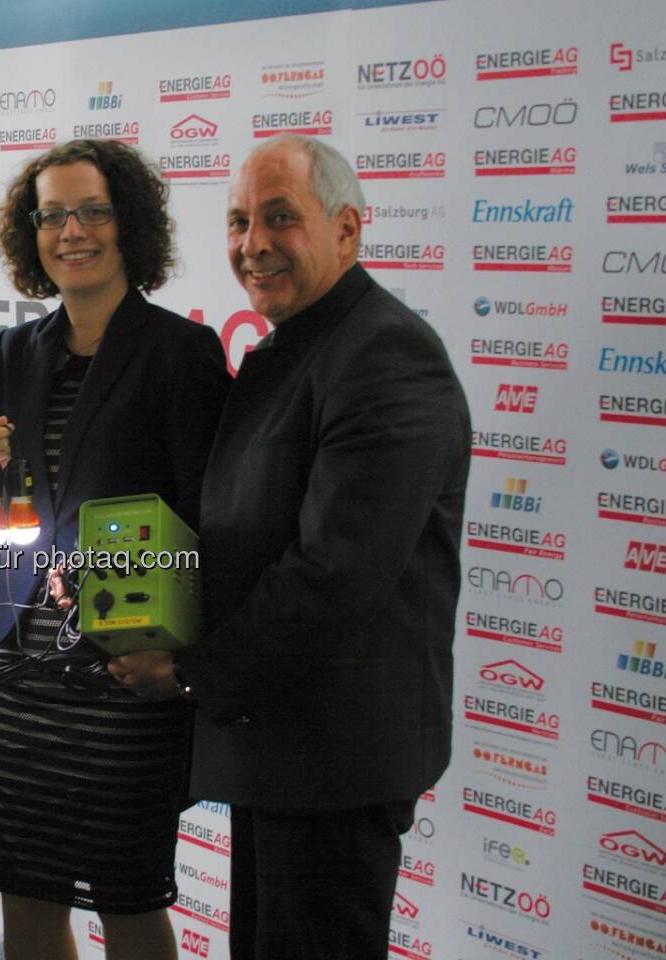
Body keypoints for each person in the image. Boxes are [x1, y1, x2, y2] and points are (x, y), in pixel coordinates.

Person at [112, 135, 471, 959]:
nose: (253, 244)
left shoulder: (385, 355)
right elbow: (242, 529)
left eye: (280, 218)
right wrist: (129, 582)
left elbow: (334, 576)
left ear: (346, 229)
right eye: (239, 221)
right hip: (281, 748)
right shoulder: (302, 345)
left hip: (333, 764)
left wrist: (191, 671)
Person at [0, 139, 229, 960]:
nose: (70, 232)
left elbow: (206, 516)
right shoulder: (15, 351)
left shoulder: (180, 352)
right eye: (51, 216)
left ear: (129, 225)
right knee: (27, 892)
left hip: (123, 671)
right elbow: (1, 500)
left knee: (128, 898)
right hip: (23, 670)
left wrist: (169, 648)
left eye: (91, 212)